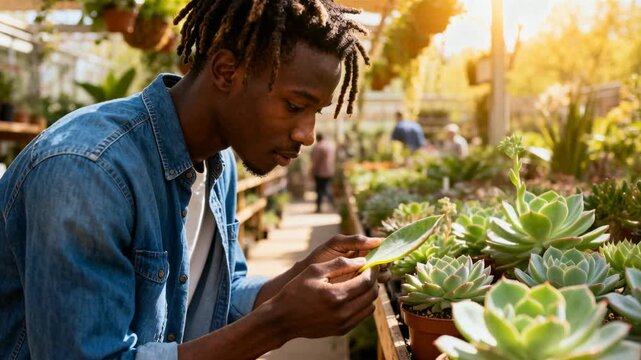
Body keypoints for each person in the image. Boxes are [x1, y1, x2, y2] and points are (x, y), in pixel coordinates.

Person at [0, 1, 385, 359]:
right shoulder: (88, 171)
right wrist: (277, 324)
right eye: (295, 106)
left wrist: (296, 277)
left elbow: (219, 295)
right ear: (225, 71)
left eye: (316, 111)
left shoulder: (220, 164)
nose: (308, 133)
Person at [310, 132, 336, 213]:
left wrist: (312, 171)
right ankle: (332, 202)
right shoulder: (330, 146)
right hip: (329, 170)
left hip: (320, 172)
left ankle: (319, 207)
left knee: (320, 190)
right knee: (327, 187)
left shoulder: (318, 147)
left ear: (317, 138)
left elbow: (316, 161)